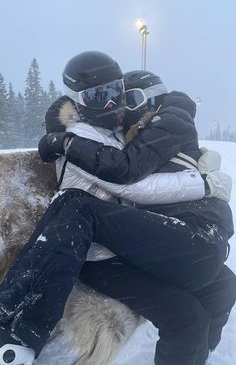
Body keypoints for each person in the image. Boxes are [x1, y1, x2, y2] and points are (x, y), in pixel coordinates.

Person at [0, 52, 233, 365]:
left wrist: (194, 172)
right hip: (95, 255)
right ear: (79, 101)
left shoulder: (119, 132)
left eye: (115, 93)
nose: (111, 104)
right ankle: (17, 334)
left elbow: (138, 170)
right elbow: (127, 181)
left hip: (124, 250)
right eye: (98, 96)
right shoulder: (80, 136)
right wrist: (201, 184)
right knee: (77, 204)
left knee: (199, 307)